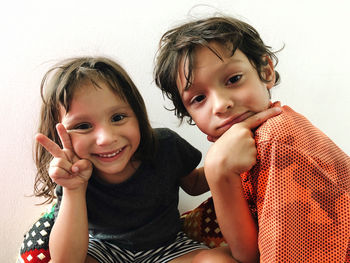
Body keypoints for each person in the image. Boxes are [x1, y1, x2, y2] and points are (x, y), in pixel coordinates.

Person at [154, 15, 350, 262]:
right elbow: (247, 252)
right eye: (198, 99)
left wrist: (218, 172)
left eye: (233, 79)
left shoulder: (276, 140)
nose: (221, 104)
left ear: (266, 71)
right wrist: (219, 171)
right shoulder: (244, 142)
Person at [33, 56, 252, 263]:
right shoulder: (72, 173)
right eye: (83, 126)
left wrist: (222, 160)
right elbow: (66, 260)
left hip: (168, 246)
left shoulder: (165, 145)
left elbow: (193, 184)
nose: (106, 138)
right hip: (103, 250)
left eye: (118, 117)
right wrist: (73, 189)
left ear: (138, 116)